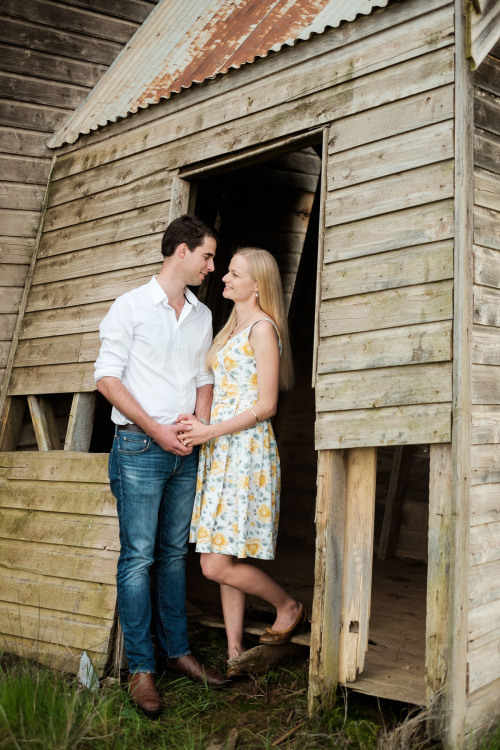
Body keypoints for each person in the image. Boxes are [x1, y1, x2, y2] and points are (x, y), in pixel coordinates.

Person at [94, 215, 229, 720]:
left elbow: (203, 377)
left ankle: (178, 652)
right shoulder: (129, 306)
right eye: (207, 256)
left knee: (174, 554)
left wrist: (199, 423)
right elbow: (107, 379)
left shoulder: (200, 313)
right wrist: (156, 430)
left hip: (184, 450)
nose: (211, 266)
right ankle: (141, 669)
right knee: (138, 557)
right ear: (182, 252)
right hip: (139, 448)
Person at [178, 248, 306, 676]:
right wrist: (201, 425)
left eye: (234, 273)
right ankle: (235, 650)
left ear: (257, 285)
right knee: (225, 557)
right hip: (221, 449)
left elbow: (267, 405)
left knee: (212, 563)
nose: (225, 278)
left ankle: (288, 606)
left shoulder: (263, 329)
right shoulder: (232, 326)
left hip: (244, 451)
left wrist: (210, 431)